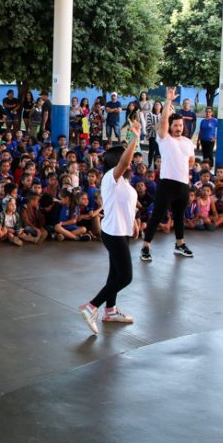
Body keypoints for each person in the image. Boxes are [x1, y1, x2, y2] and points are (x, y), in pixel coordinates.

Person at [78, 121, 141, 336]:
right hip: (113, 234)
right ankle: (91, 307)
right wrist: (135, 139)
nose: (130, 161)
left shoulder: (124, 183)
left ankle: (110, 311)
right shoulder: (109, 178)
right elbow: (125, 161)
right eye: (125, 158)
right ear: (117, 162)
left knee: (114, 274)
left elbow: (126, 205)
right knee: (125, 277)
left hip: (122, 232)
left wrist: (133, 222)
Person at [140, 86, 195, 262]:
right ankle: (145, 247)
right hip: (167, 184)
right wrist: (169, 101)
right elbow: (163, 121)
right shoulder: (164, 139)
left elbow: (191, 161)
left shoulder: (187, 142)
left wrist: (185, 170)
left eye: (180, 125)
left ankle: (180, 244)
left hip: (183, 185)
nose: (178, 128)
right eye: (175, 125)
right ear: (170, 127)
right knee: (156, 216)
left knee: (180, 217)